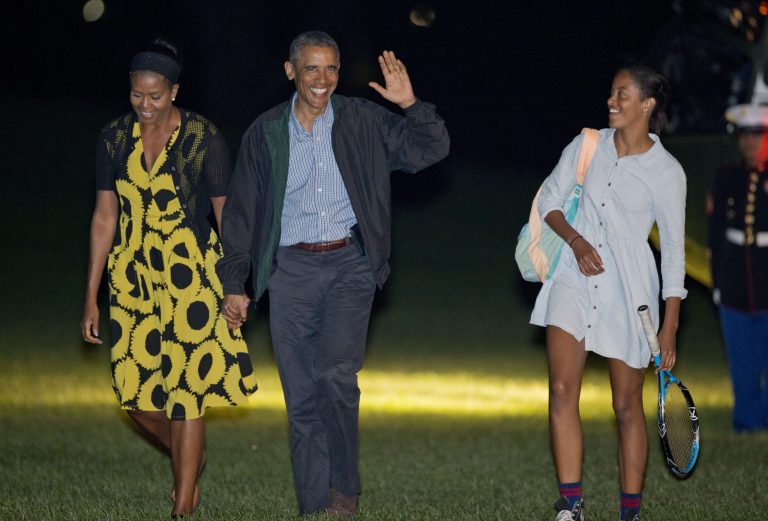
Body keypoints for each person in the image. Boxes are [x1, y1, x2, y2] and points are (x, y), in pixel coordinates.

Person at [216, 31, 449, 517]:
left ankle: (344, 488)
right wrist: (234, 283)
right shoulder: (266, 132)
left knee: (334, 375)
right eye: (311, 69)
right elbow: (241, 214)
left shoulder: (361, 119)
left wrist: (411, 105)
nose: (322, 79)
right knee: (301, 395)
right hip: (290, 270)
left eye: (331, 69)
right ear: (290, 71)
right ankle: (311, 504)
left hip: (349, 265)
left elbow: (431, 149)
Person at [80, 38, 257, 517]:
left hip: (191, 277)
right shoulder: (114, 138)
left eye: (155, 96)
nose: (145, 105)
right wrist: (92, 295)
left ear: (174, 91)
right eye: (137, 95)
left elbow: (226, 216)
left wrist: (235, 284)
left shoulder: (203, 138)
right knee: (136, 397)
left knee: (186, 393)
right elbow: (104, 218)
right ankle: (189, 459)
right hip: (132, 279)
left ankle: (183, 505)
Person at [529, 64, 687, 521]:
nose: (611, 101)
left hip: (630, 292)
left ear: (647, 104)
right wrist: (576, 241)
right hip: (573, 278)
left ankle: (629, 512)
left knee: (626, 405)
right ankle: (571, 505)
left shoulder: (667, 172)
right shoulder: (588, 144)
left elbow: (673, 253)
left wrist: (670, 326)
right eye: (611, 93)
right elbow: (550, 200)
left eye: (622, 94)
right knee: (562, 388)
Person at [707, 104, 768, 433]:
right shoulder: (726, 177)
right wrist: (717, 281)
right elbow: (716, 233)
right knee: (741, 356)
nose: (750, 141)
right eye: (745, 135)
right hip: (735, 278)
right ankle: (746, 421)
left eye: (757, 134)